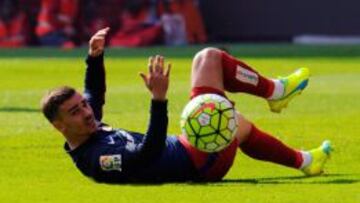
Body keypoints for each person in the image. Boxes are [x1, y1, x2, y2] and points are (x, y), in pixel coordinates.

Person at [41, 27, 332, 183]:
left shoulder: (87, 126)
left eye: (83, 106)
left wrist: (94, 57)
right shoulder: (97, 159)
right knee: (208, 59)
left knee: (237, 124)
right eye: (76, 111)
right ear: (59, 125)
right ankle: (276, 91)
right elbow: (147, 155)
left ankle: (306, 161)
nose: (87, 112)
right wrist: (158, 100)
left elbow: (93, 92)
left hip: (189, 147)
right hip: (198, 162)